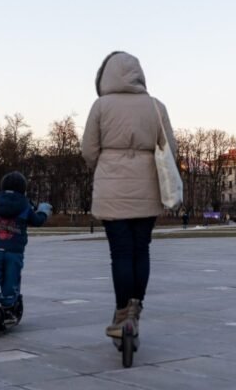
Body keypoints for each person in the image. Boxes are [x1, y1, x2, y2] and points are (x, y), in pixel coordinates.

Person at [82, 51, 177, 342]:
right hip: (147, 188)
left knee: (120, 252)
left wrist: (103, 165)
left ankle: (122, 313)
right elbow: (169, 147)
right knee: (141, 249)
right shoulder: (155, 106)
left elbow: (88, 149)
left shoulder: (100, 106)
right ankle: (135, 310)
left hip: (112, 189)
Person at [0, 171, 52, 339]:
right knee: (10, 281)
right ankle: (7, 308)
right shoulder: (24, 205)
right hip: (14, 251)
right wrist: (44, 210)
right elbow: (37, 221)